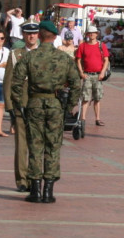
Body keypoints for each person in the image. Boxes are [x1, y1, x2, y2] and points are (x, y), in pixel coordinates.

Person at [10, 20, 81, 203]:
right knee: (53, 146)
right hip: (55, 105)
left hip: (34, 104)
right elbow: (75, 84)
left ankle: (35, 190)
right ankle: (48, 190)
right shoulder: (64, 58)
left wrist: (20, 105)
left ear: (39, 36)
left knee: (35, 146)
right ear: (55, 36)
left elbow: (16, 83)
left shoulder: (30, 57)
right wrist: (67, 107)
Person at [4, 22, 41, 192]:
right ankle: (22, 180)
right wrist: (10, 107)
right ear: (23, 35)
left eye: (34, 34)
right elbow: (8, 82)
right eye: (28, 34)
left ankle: (35, 177)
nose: (31, 36)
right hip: (21, 105)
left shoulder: (44, 54)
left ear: (38, 35)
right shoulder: (15, 55)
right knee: (21, 144)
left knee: (38, 144)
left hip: (40, 106)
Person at [76, 24, 111, 127]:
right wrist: (81, 72)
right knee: (85, 98)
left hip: (97, 75)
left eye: (93, 33)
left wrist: (102, 72)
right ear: (87, 34)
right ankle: (82, 119)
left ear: (97, 34)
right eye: (89, 33)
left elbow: (106, 60)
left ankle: (97, 119)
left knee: (97, 98)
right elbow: (78, 60)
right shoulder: (83, 46)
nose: (91, 35)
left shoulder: (101, 45)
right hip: (87, 74)